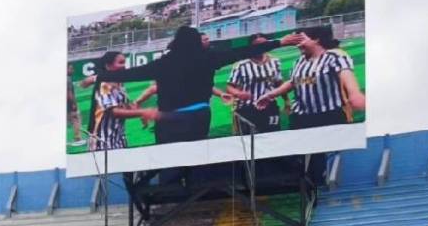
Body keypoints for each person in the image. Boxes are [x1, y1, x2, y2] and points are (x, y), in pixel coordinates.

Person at [96, 25, 303, 144]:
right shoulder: (209, 57)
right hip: (199, 116)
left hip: (169, 119)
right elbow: (242, 52)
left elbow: (134, 73)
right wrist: (279, 42)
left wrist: (98, 76)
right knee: (197, 156)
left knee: (169, 161)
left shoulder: (164, 63)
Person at [255, 25, 365, 130]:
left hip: (329, 116)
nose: (298, 45)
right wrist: (270, 95)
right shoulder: (300, 61)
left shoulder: (334, 56)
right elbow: (293, 82)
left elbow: (345, 73)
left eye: (301, 40)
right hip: (301, 117)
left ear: (316, 39)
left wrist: (354, 93)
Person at [225, 34, 285, 134]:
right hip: (247, 108)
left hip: (270, 106)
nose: (262, 47)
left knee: (273, 135)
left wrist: (286, 100)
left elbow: (279, 83)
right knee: (249, 138)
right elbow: (230, 86)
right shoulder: (241, 64)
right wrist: (239, 93)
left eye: (265, 44)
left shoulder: (275, 61)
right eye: (258, 45)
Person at [66, 64, 86, 147]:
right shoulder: (67, 79)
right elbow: (69, 93)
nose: (73, 70)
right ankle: (77, 139)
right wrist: (74, 104)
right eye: (71, 68)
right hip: (69, 105)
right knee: (76, 119)